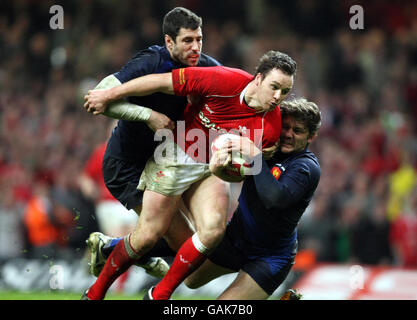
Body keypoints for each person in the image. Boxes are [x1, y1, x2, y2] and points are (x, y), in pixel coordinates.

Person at [82, 50, 296, 300]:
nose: (278, 97)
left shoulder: (271, 125)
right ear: (258, 79)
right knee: (147, 237)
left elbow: (240, 175)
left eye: (285, 91)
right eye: (274, 87)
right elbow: (161, 81)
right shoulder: (224, 81)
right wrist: (110, 94)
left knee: (213, 232)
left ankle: (159, 294)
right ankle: (95, 292)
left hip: (209, 169)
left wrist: (222, 169)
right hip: (175, 155)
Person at [82, 7, 221, 280]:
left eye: (199, 39)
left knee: (189, 243)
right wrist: (148, 116)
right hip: (126, 165)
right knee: (167, 236)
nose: (196, 47)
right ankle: (120, 251)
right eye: (187, 41)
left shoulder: (208, 68)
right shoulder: (151, 62)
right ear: (169, 41)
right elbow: (97, 98)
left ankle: (119, 250)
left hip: (163, 161)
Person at [179, 98, 321, 299]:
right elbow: (239, 175)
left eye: (297, 131)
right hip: (236, 240)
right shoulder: (267, 147)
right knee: (190, 279)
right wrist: (220, 167)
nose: (288, 134)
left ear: (311, 136)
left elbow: (273, 198)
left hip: (270, 258)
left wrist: (255, 156)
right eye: (286, 127)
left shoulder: (306, 167)